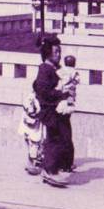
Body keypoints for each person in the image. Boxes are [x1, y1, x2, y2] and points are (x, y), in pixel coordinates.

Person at [32, 34, 73, 187]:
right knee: (54, 140)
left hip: (57, 110)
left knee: (61, 139)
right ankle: (50, 171)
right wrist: (62, 93)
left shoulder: (55, 69)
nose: (59, 55)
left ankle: (54, 169)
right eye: (56, 52)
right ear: (48, 52)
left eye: (60, 52)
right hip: (50, 111)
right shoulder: (45, 70)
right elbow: (43, 91)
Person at [18, 91, 45, 175]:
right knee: (33, 141)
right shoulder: (32, 98)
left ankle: (34, 162)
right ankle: (32, 163)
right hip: (33, 120)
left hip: (37, 119)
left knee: (37, 142)